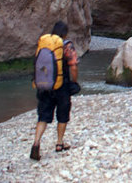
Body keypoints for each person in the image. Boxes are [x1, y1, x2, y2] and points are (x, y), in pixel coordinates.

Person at [30, 21, 79, 161]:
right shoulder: (67, 45)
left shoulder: (44, 43)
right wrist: (74, 82)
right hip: (61, 86)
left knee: (43, 116)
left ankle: (36, 143)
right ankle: (59, 143)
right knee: (62, 114)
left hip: (44, 86)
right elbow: (73, 66)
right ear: (65, 33)